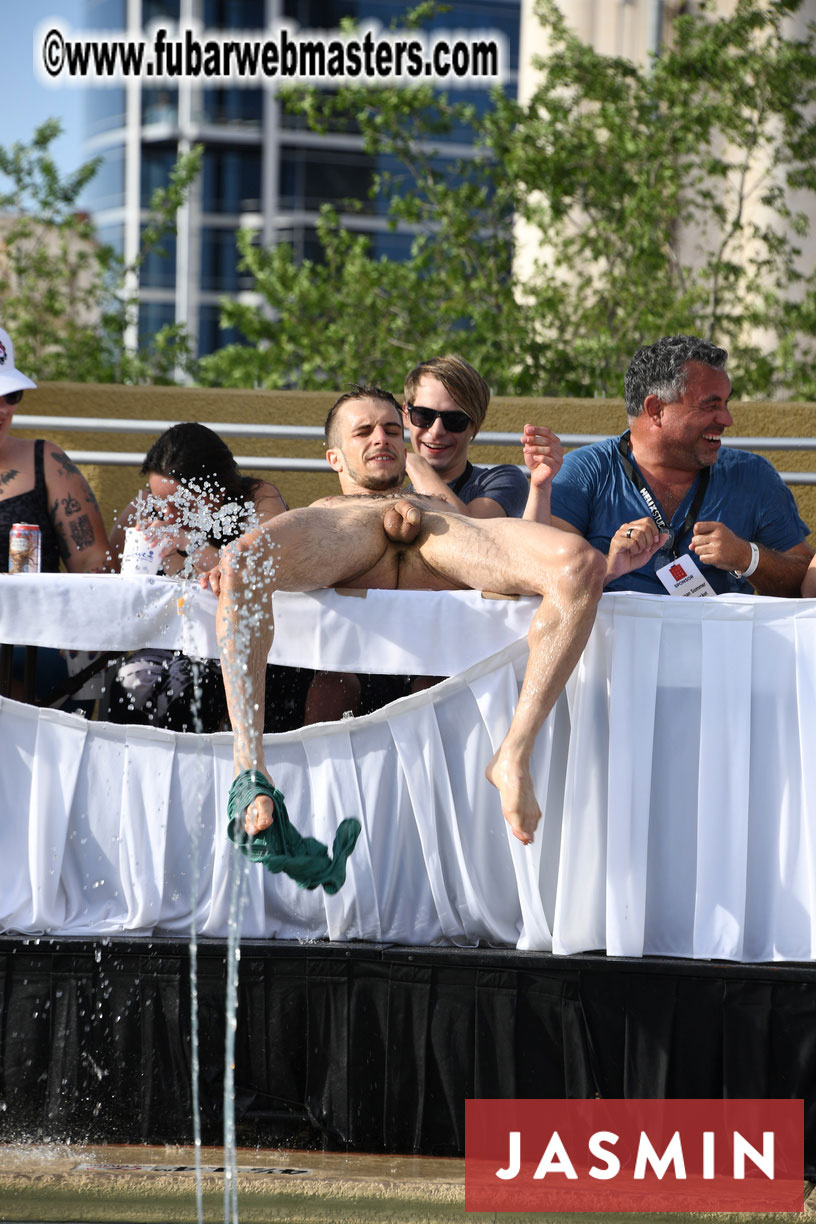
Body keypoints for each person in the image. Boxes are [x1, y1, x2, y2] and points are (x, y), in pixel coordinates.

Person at [207, 384, 623, 849]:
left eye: (391, 429)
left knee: (580, 565)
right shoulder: (327, 511)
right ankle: (250, 767)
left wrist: (522, 486)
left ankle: (513, 753)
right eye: (363, 432)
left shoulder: (442, 503)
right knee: (242, 561)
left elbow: (528, 550)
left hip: (440, 527)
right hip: (347, 522)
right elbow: (246, 565)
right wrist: (229, 571)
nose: (380, 438)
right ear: (334, 458)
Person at [304, 379, 565, 722]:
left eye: (454, 420)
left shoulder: (494, 481)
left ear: (474, 428)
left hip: (445, 659)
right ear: (408, 416)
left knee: (434, 685)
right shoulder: (352, 498)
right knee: (331, 685)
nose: (436, 431)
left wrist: (411, 462)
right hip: (366, 658)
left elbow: (486, 544)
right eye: (424, 417)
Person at [549, 334, 812, 595]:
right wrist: (609, 567)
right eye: (710, 406)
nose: (727, 419)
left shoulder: (752, 476)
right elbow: (545, 578)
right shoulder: (583, 473)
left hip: (718, 626)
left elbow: (805, 583)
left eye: (726, 403)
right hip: (613, 625)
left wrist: (748, 557)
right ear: (656, 410)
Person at [107, 422, 308, 732]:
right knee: (129, 683)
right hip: (173, 645)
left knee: (187, 690)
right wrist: (135, 552)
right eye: (160, 501)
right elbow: (106, 571)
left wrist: (191, 544)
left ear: (217, 490)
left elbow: (261, 568)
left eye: (181, 504)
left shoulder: (258, 500)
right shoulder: (148, 506)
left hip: (252, 647)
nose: (168, 514)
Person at [0, 325, 110, 703]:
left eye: (11, 395)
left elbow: (94, 564)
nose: (3, 408)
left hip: (33, 637)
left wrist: (76, 623)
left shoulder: (45, 460)